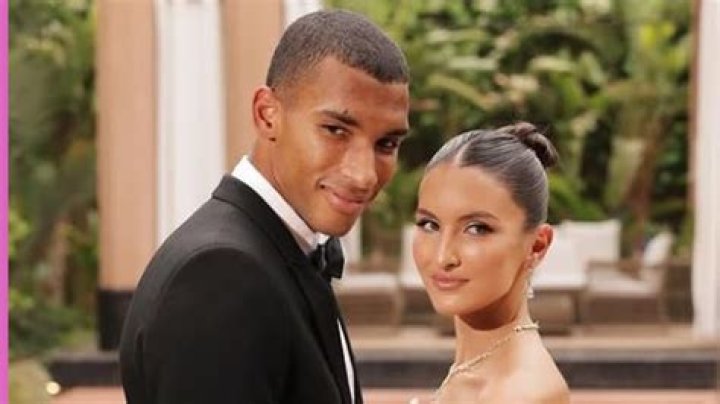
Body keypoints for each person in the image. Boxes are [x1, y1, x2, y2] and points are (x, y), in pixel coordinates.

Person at [119, 10, 409, 404]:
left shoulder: (275, 252)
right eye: (336, 130)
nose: (364, 175)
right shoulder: (220, 275)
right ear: (267, 114)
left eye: (386, 144)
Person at [412, 122, 569, 403]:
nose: (443, 257)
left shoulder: (519, 393)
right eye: (429, 224)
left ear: (537, 245)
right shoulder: (474, 370)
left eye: (477, 229)